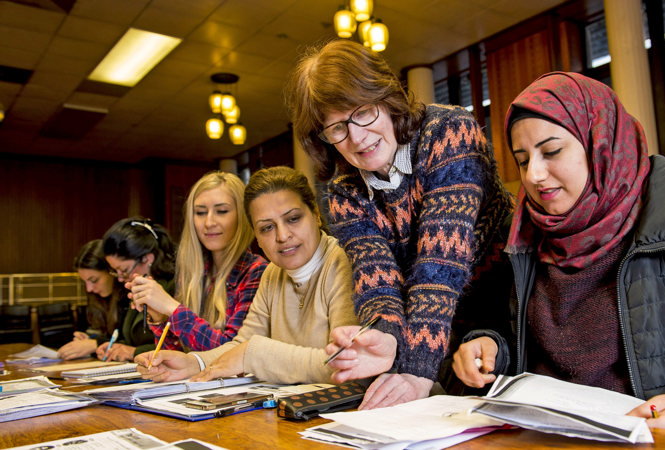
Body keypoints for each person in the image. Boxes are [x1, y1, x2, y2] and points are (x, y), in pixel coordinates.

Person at [449, 72, 665, 439]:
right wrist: (489, 346)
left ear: (601, 144)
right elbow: (511, 333)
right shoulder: (522, 234)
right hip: (556, 441)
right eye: (522, 160)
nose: (534, 175)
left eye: (551, 152)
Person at [288, 39, 515, 409]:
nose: (356, 138)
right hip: (438, 329)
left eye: (362, 113)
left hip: (505, 310)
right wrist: (384, 334)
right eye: (336, 129)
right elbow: (376, 274)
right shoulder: (344, 190)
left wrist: (415, 368)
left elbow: (439, 263)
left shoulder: (449, 132)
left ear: (386, 98)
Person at [135, 166, 359, 384]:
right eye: (267, 228)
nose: (282, 236)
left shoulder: (346, 262)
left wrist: (254, 354)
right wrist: (194, 362)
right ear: (257, 238)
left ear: (317, 215)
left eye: (293, 219)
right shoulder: (273, 272)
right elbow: (242, 344)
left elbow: (345, 363)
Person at [126, 171, 267, 352]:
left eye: (221, 211)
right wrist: (159, 317)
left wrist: (170, 307)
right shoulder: (191, 273)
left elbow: (233, 353)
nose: (208, 222)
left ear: (242, 216)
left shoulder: (257, 271)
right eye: (200, 213)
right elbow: (177, 355)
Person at [100, 217, 176, 361]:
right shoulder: (135, 287)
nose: (120, 278)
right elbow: (133, 339)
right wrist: (116, 347)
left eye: (124, 270)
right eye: (116, 272)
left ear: (147, 259)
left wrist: (134, 352)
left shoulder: (175, 287)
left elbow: (182, 345)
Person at [57, 240, 134, 360]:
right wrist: (88, 339)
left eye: (94, 280)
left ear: (112, 271)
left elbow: (136, 343)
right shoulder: (98, 299)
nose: (89, 289)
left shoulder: (131, 297)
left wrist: (95, 344)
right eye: (85, 282)